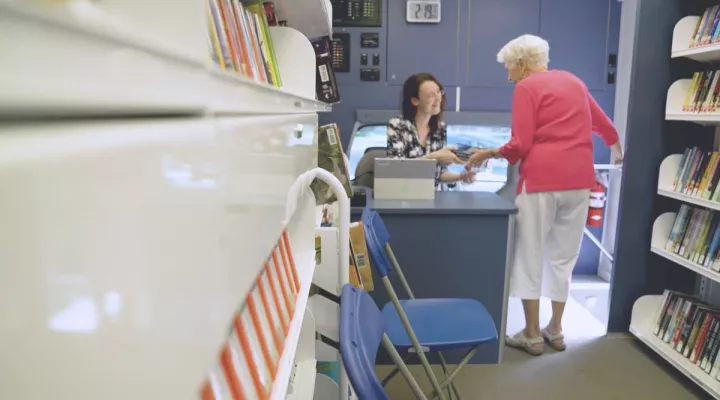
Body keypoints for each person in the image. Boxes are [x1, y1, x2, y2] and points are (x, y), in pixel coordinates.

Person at [466, 34, 623, 355]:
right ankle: (557, 329)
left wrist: (490, 152)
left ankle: (533, 334)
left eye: (509, 68)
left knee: (530, 254)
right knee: (564, 257)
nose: (508, 75)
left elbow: (521, 144)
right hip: (580, 180)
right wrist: (616, 147)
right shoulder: (574, 82)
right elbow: (602, 124)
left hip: (540, 182)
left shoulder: (525, 88)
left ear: (522, 64)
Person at [387, 73, 475, 186]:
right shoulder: (397, 126)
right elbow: (395, 170)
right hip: (405, 193)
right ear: (415, 101)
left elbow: (439, 174)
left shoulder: (440, 128)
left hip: (432, 197)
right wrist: (434, 157)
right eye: (430, 95)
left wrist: (461, 177)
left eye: (439, 92)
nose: (438, 98)